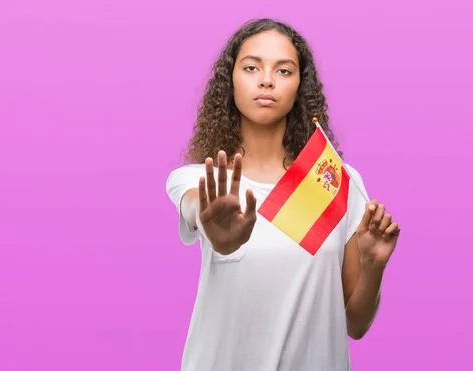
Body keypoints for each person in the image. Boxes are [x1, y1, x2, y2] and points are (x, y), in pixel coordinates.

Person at [165, 18, 401, 371]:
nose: (266, 80)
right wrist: (218, 232)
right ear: (230, 82)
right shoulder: (201, 179)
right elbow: (198, 208)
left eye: (284, 71)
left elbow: (356, 324)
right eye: (251, 67)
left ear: (299, 87)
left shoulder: (333, 180)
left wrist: (374, 266)